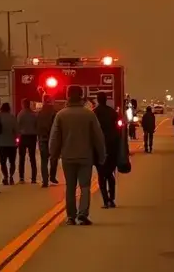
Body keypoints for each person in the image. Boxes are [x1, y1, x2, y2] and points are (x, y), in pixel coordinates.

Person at [49, 85, 106, 225]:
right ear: (81, 95)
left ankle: (70, 216)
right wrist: (101, 154)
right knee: (85, 186)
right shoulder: (89, 114)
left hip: (68, 156)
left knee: (70, 186)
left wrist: (53, 154)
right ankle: (83, 214)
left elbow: (55, 138)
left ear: (68, 95)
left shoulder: (61, 115)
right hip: (85, 156)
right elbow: (98, 137)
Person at [92, 92, 120, 208]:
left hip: (99, 147)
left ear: (98, 100)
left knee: (101, 175)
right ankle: (112, 199)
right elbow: (119, 127)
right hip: (112, 146)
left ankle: (105, 200)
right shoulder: (112, 112)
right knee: (110, 174)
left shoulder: (95, 113)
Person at [34, 93, 60, 188]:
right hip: (52, 139)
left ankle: (45, 181)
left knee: (44, 160)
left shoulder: (39, 113)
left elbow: (36, 125)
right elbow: (57, 127)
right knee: (54, 159)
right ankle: (52, 177)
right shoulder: (54, 112)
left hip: (42, 138)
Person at [15, 98, 38, 184]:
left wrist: (17, 137)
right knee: (32, 157)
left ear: (23, 104)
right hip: (32, 136)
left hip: (23, 137)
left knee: (22, 158)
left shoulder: (20, 114)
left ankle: (21, 178)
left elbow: (17, 126)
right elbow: (36, 125)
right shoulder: (34, 114)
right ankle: (33, 178)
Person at [0, 102, 17, 185]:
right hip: (12, 143)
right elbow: (17, 130)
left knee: (3, 162)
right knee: (12, 162)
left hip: (2, 143)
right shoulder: (12, 117)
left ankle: (5, 177)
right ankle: (11, 177)